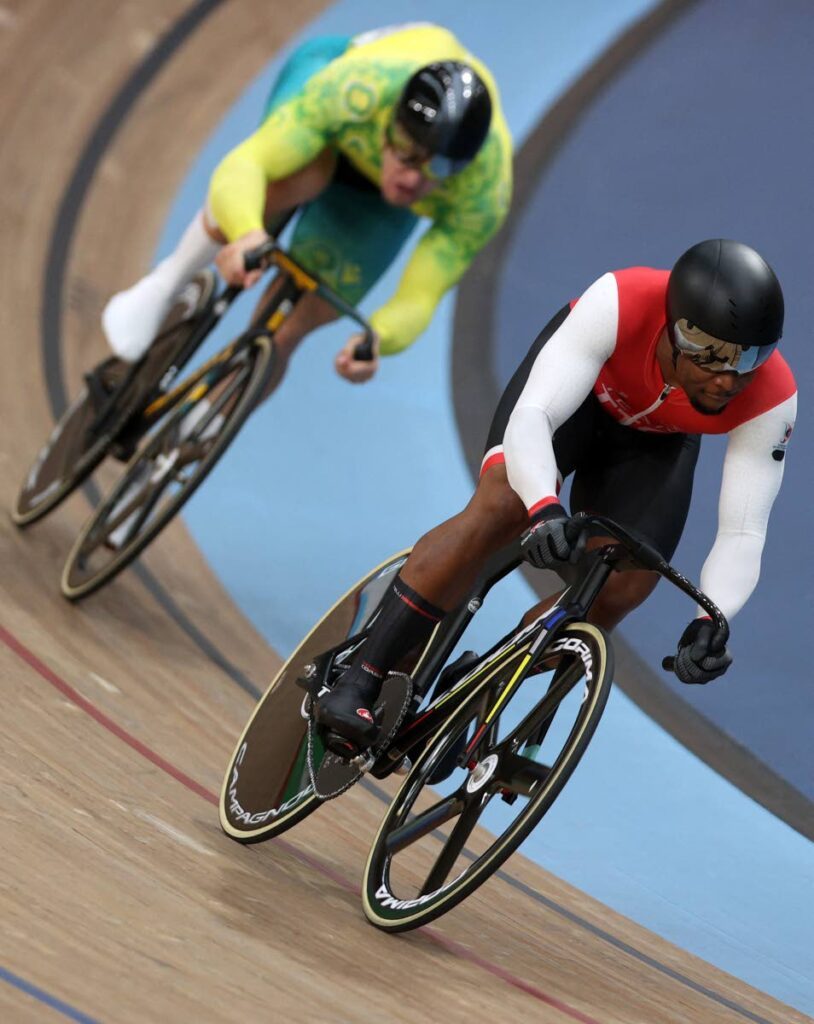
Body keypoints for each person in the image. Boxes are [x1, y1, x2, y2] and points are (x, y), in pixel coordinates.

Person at [315, 238, 797, 747]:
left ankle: (480, 685)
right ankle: (360, 677)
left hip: (657, 443)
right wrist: (544, 508)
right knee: (503, 505)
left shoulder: (771, 396)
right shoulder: (620, 301)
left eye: (752, 357)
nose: (729, 380)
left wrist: (712, 618)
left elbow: (744, 530)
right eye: (715, 357)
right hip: (573, 401)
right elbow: (535, 416)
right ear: (677, 332)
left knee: (624, 584)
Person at [95, 23, 512, 400]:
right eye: (406, 151)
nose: (412, 177)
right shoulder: (358, 88)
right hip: (329, 110)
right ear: (391, 122)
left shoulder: (483, 193)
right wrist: (246, 231)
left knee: (291, 326)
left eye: (437, 169)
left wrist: (378, 340)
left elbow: (420, 297)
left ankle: (203, 425)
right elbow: (248, 163)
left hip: (377, 202)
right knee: (299, 177)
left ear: (463, 168)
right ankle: (166, 282)